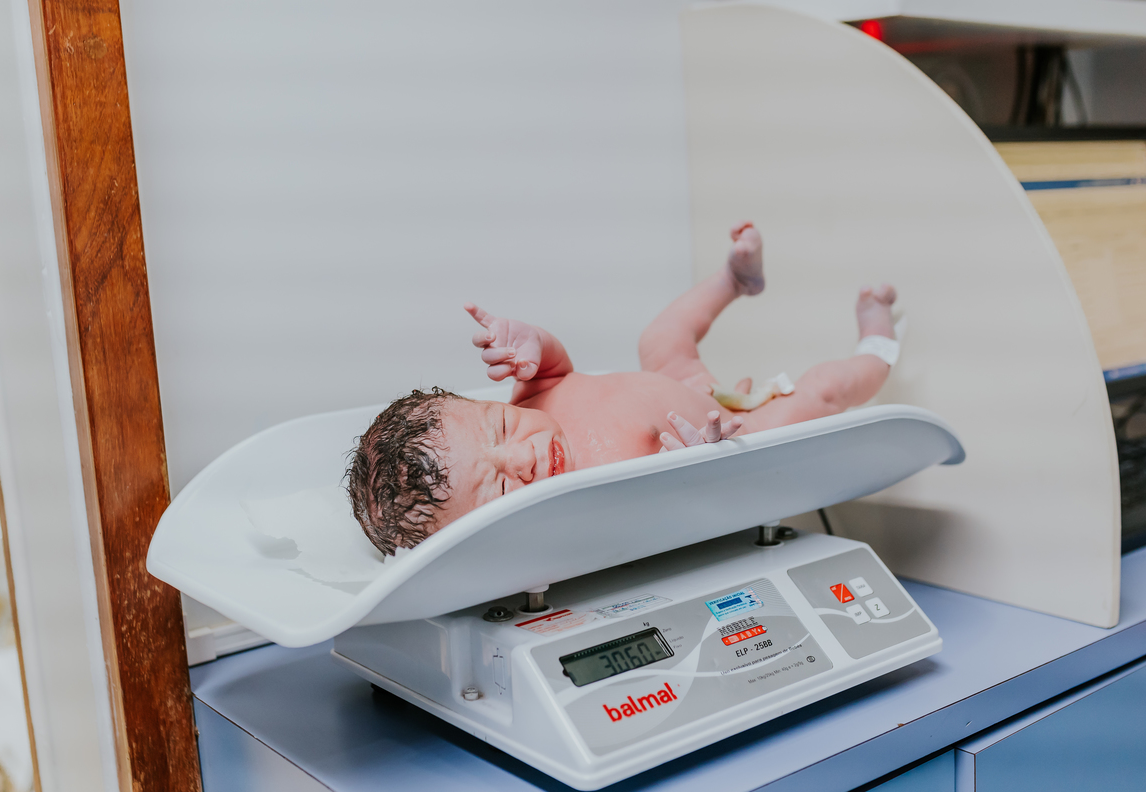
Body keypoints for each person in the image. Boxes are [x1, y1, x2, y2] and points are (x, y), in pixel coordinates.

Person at [347, 222, 900, 556]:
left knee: (659, 338)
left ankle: (735, 279)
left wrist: (532, 341)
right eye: (502, 488)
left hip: (678, 382)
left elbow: (555, 367)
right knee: (820, 394)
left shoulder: (532, 397)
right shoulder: (580, 508)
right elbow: (670, 511)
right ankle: (878, 347)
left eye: (502, 427)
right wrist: (699, 463)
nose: (523, 456)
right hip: (735, 430)